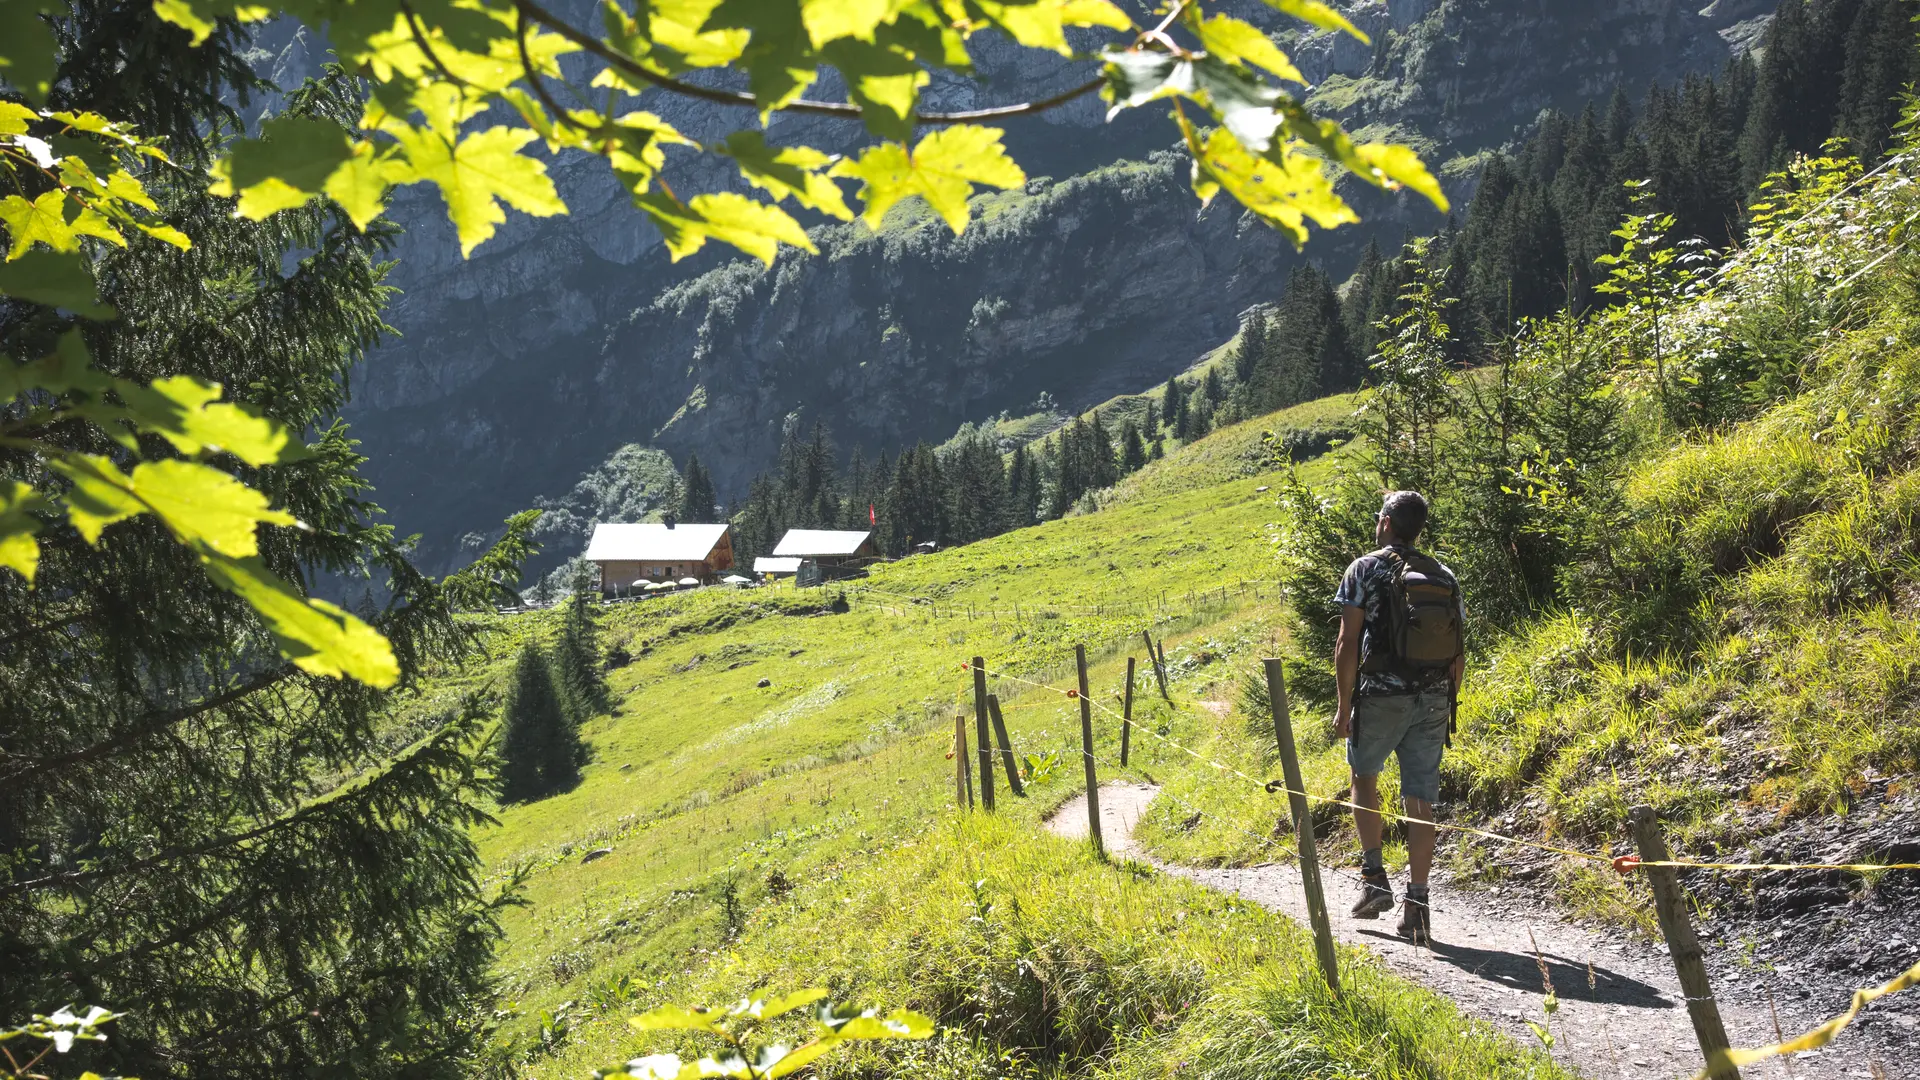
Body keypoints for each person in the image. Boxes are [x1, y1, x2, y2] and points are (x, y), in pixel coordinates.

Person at [1332, 490, 1465, 944]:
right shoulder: (1442, 573)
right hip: (1433, 698)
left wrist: (1344, 704)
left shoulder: (1364, 568)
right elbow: (1457, 649)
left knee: (1363, 776)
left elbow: (1347, 642)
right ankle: (1419, 905)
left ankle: (1374, 880)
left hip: (1381, 696)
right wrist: (1444, 701)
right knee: (1421, 798)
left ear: (1387, 522)